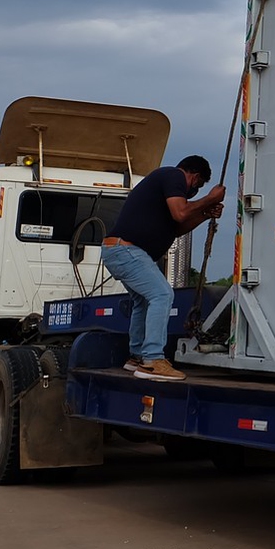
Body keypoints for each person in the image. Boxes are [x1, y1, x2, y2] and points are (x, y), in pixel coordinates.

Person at [103, 154, 225, 382]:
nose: (194, 192)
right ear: (195, 176)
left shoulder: (165, 192)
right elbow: (181, 213)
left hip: (120, 251)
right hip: (126, 250)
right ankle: (153, 360)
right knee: (162, 294)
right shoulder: (173, 175)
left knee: (143, 301)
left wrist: (205, 214)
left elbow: (177, 228)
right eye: (198, 186)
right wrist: (209, 199)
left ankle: (137, 356)